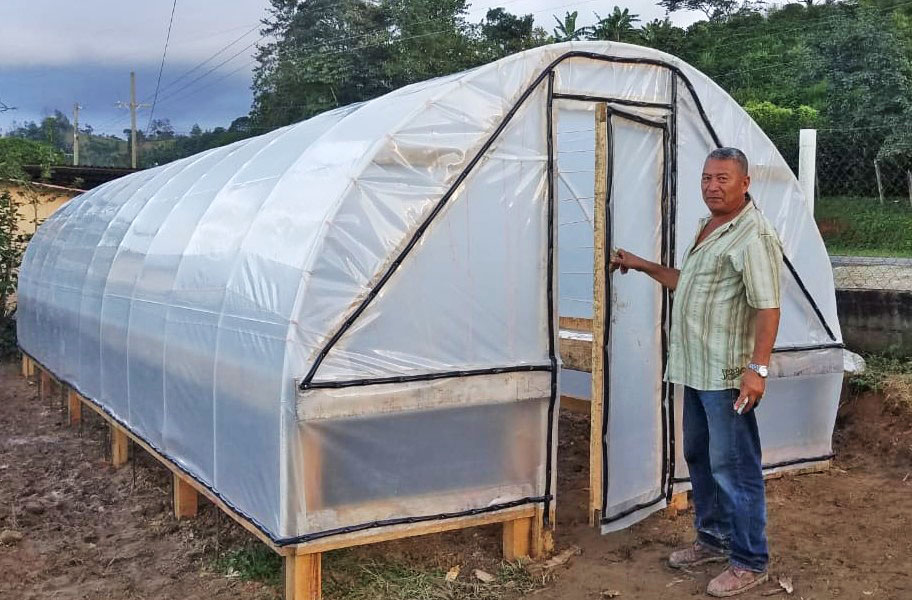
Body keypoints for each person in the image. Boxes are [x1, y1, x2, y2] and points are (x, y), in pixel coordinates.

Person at [610, 147, 782, 597]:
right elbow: (688, 281)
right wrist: (642, 265)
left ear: (745, 183)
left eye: (723, 178)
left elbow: (768, 307)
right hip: (697, 368)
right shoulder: (708, 227)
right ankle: (713, 539)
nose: (712, 186)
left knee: (735, 467)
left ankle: (749, 560)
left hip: (728, 376)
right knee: (700, 459)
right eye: (706, 178)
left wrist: (757, 369)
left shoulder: (754, 235)